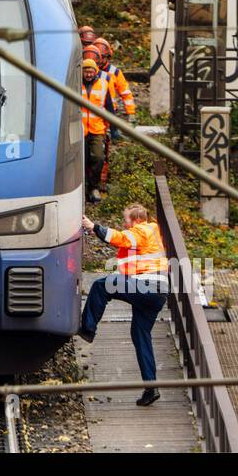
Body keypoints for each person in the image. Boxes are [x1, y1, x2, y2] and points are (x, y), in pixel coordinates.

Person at [80, 204, 170, 406]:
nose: (124, 223)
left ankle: (87, 328)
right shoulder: (154, 231)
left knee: (102, 286)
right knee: (140, 335)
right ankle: (151, 387)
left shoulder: (141, 230)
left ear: (137, 220)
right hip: (158, 292)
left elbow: (121, 238)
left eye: (126, 219)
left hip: (147, 285)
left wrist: (94, 227)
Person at [79, 48, 111, 202]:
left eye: (91, 71)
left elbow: (110, 108)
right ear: (82, 72)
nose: (89, 74)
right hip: (80, 130)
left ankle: (94, 187)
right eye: (86, 71)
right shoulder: (76, 86)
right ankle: (83, 189)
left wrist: (112, 128)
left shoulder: (104, 85)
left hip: (97, 129)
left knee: (98, 158)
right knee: (82, 161)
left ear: (96, 71)